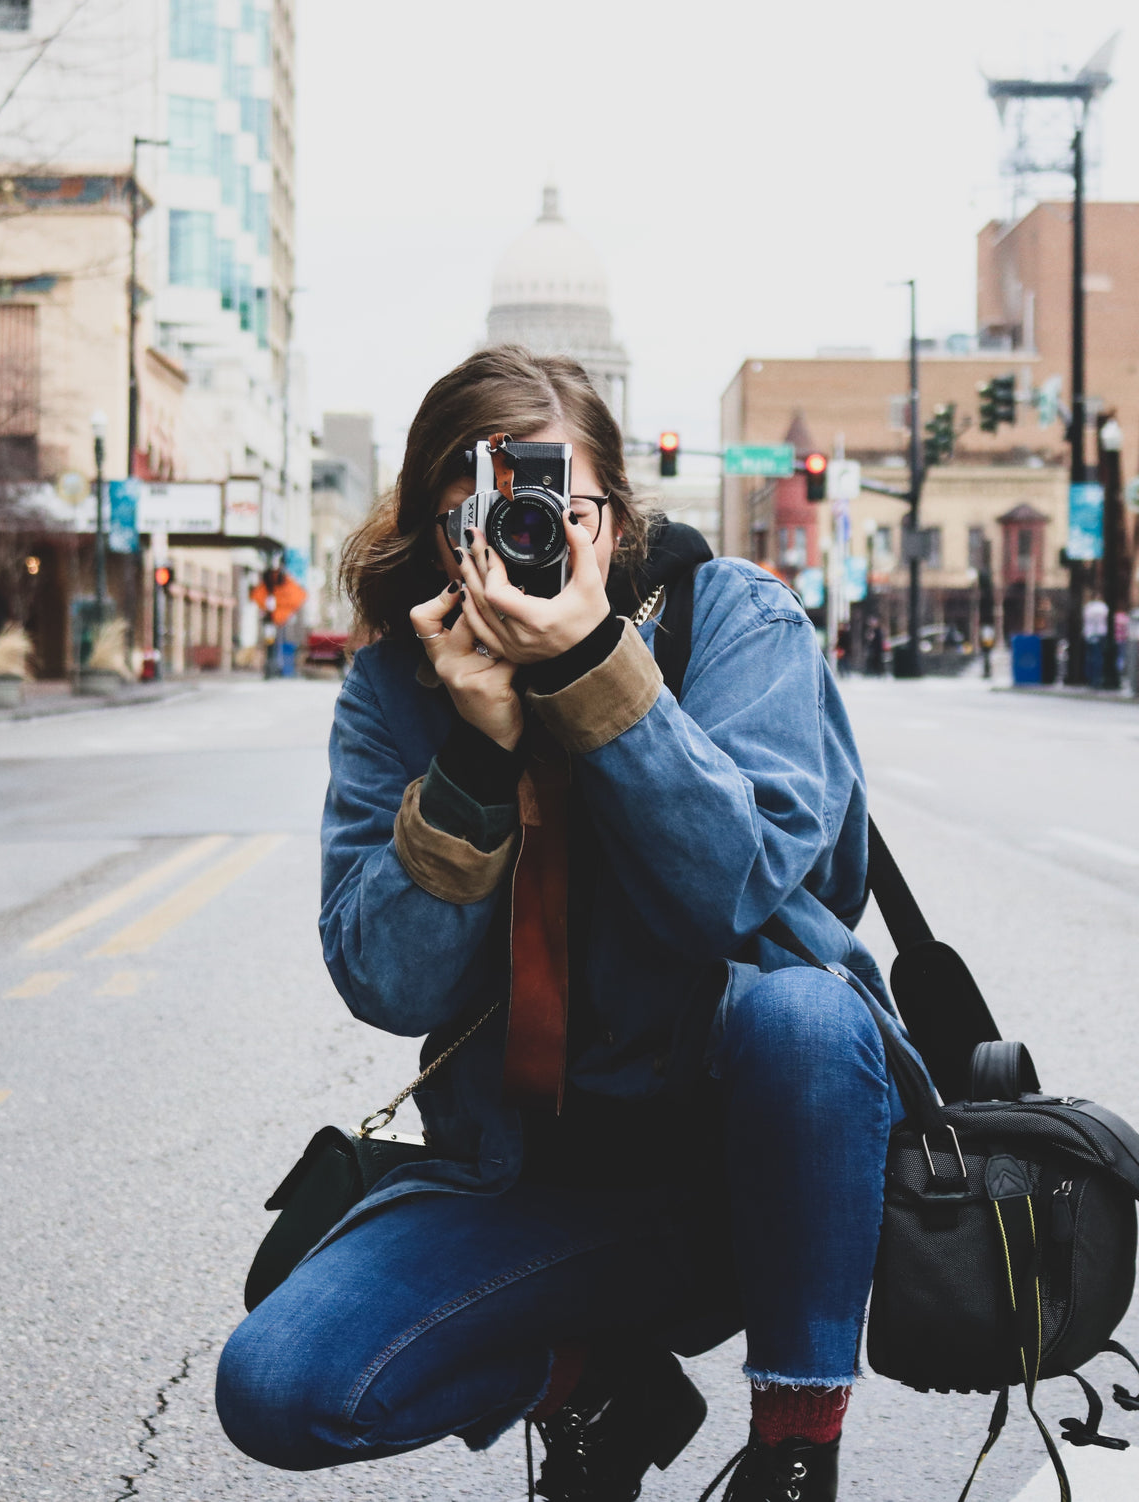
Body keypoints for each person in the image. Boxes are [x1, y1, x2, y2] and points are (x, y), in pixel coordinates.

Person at [215, 346, 918, 1502]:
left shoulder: (731, 619)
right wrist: (475, 761)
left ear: (614, 515)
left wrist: (597, 671)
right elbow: (387, 981)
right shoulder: (401, 685)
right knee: (280, 1381)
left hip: (774, 1170)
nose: (520, 542)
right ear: (437, 537)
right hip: (534, 1183)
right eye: (477, 520)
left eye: (553, 506)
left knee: (801, 1011)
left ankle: (797, 1444)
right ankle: (594, 1381)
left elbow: (739, 893)